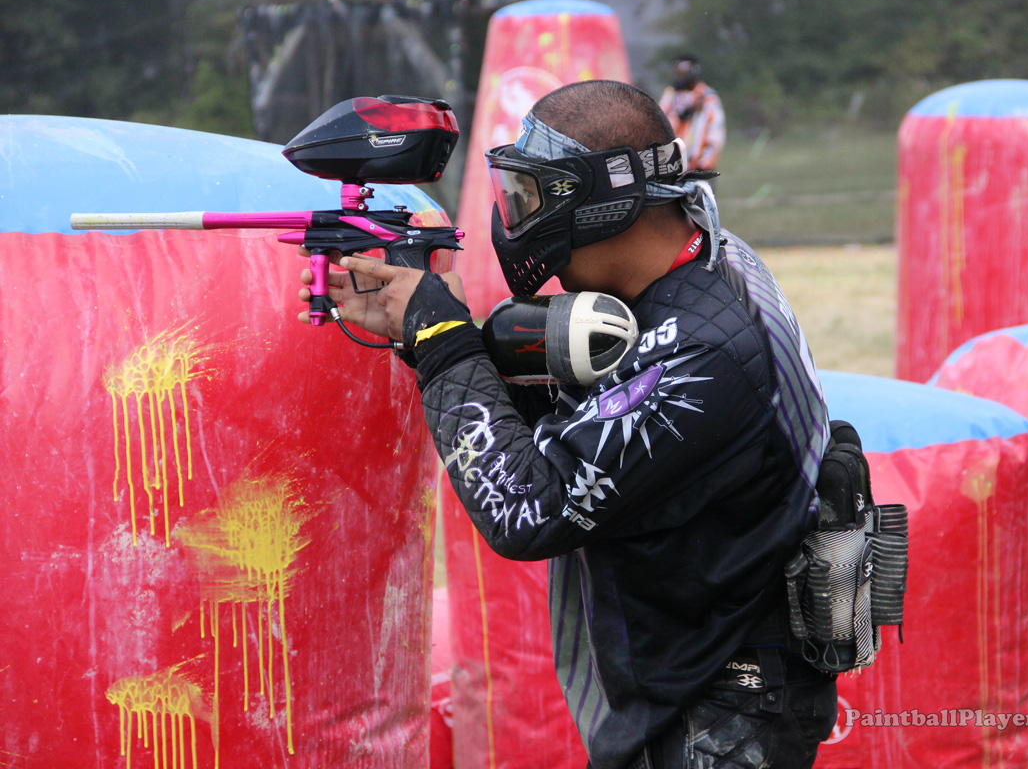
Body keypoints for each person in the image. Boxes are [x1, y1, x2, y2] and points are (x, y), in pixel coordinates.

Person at [298, 80, 837, 769]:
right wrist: (429, 336)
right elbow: (581, 425)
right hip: (701, 681)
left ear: (602, 202)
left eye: (530, 196)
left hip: (721, 715)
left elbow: (528, 510)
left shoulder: (703, 354)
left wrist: (444, 343)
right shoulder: (709, 260)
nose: (514, 219)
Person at [658, 55, 726, 172]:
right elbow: (660, 124)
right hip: (673, 167)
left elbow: (716, 132)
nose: (680, 77)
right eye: (678, 72)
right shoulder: (671, 96)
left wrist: (706, 162)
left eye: (684, 73)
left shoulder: (707, 97)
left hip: (699, 168)